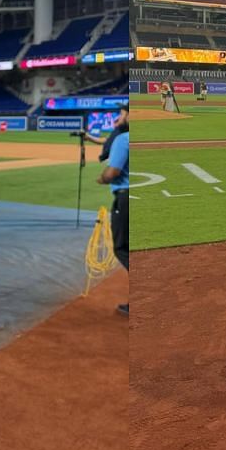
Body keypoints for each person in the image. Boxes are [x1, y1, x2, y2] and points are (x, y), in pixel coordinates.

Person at [95, 105, 129, 316]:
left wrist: (102, 178)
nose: (120, 116)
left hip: (127, 198)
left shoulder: (123, 139)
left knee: (122, 247)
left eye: (124, 112)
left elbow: (113, 171)